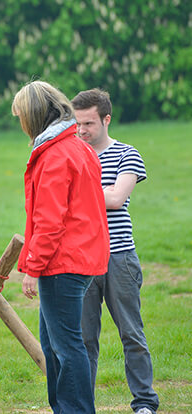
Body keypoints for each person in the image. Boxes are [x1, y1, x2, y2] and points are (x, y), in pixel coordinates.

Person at [12, 80, 110, 414]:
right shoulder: (78, 146)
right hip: (82, 258)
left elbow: (50, 220)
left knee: (66, 347)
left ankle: (76, 410)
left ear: (34, 116)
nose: (21, 124)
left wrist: (32, 267)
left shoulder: (55, 154)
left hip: (63, 263)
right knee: (55, 344)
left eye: (21, 117)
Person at [72, 89, 159, 414]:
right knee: (84, 341)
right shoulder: (73, 155)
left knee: (131, 334)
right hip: (83, 259)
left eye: (89, 123)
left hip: (120, 257)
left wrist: (78, 193)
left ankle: (145, 403)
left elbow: (115, 200)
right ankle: (83, 406)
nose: (81, 130)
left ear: (107, 119)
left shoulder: (127, 154)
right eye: (78, 123)